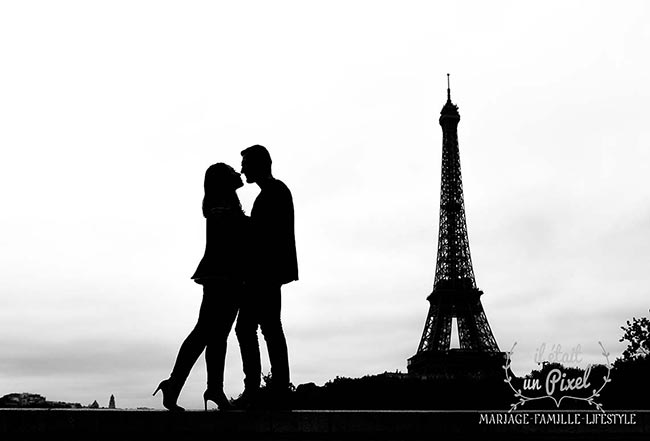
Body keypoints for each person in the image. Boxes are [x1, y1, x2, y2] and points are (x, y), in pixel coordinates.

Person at [154, 162, 248, 411]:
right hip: (223, 277)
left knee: (214, 335)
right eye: (231, 172)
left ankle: (205, 387)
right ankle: (184, 384)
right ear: (223, 181)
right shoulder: (221, 211)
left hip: (226, 277)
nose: (237, 174)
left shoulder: (222, 208)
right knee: (206, 333)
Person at [234, 144, 298, 409]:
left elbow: (263, 235)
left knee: (252, 328)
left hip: (263, 273)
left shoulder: (272, 192)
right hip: (269, 272)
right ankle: (276, 388)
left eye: (246, 163)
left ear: (259, 164)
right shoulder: (275, 191)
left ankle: (258, 390)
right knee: (269, 328)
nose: (242, 169)